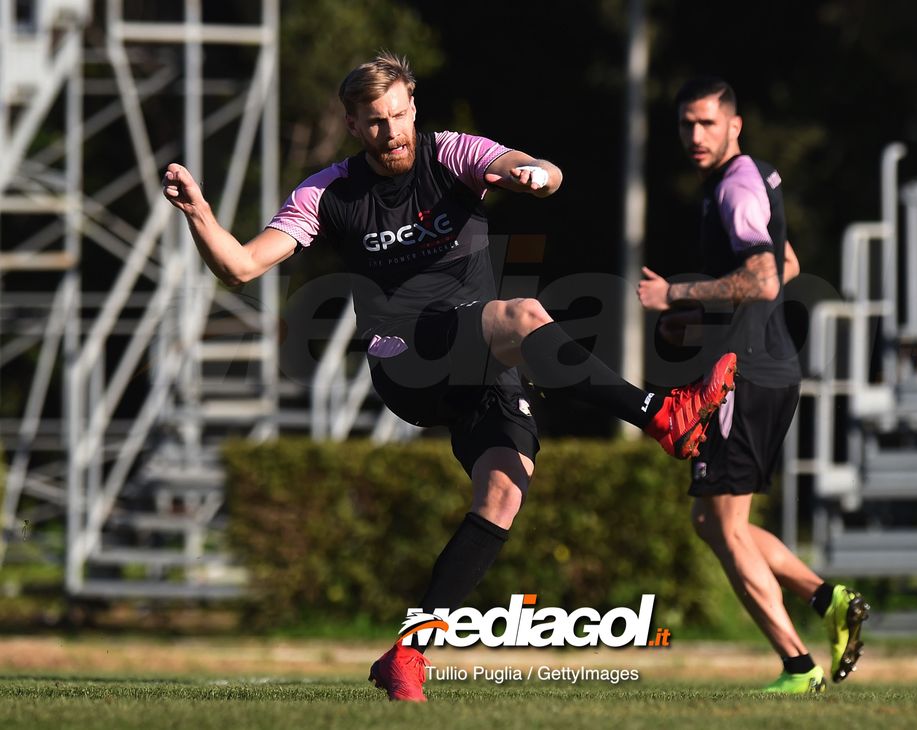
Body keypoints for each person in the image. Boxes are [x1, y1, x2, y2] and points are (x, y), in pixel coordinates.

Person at [163, 52, 736, 702]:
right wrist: (200, 214)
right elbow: (240, 267)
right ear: (353, 123)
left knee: (503, 494)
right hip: (407, 358)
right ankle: (663, 416)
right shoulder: (328, 193)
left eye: (400, 115)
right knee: (522, 314)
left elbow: (537, 170)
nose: (392, 131)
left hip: (480, 362)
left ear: (414, 107)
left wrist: (535, 176)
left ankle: (408, 652)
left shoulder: (452, 154)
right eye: (375, 121)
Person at [637, 76, 869, 694]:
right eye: (686, 124)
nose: (694, 135)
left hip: (745, 377)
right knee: (713, 523)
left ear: (734, 125)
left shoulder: (735, 186)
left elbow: (766, 278)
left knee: (726, 525)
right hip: (764, 369)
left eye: (707, 123)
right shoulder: (752, 178)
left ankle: (799, 665)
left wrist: (675, 294)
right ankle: (830, 599)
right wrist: (711, 314)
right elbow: (787, 262)